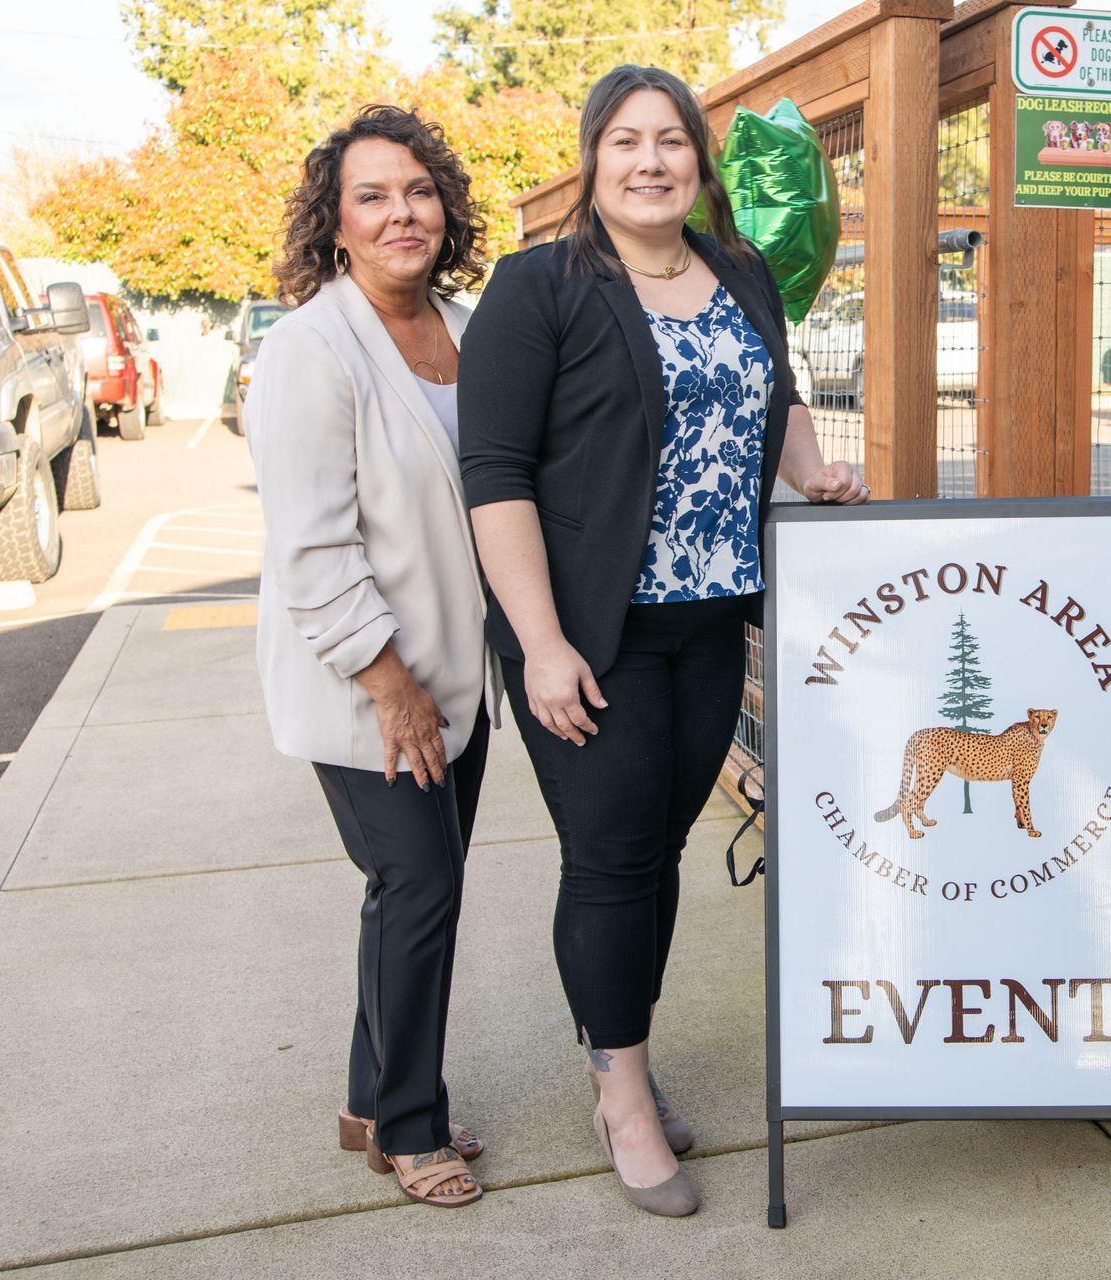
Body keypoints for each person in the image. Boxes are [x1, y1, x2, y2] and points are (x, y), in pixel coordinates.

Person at [458, 64, 868, 1218]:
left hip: (710, 619)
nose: (652, 162)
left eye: (673, 141)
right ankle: (624, 1094)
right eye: (628, 141)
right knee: (609, 854)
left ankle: (621, 1053)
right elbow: (493, 472)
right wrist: (539, 641)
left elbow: (772, 395)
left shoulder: (738, 271)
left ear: (700, 160)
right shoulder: (539, 286)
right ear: (593, 160)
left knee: (661, 849)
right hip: (591, 633)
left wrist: (812, 470)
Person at [249, 105, 499, 1209]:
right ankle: (411, 1122)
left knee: (408, 894)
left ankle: (368, 1095)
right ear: (335, 225)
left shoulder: (470, 330)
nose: (402, 212)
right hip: (371, 682)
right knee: (420, 881)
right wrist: (388, 682)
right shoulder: (310, 347)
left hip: (461, 678)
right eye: (372, 196)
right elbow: (311, 545)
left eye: (418, 191)